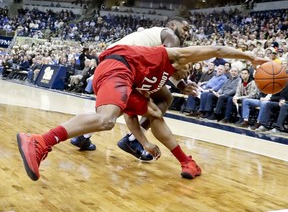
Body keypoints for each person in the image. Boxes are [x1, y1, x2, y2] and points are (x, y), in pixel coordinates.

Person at [17, 44, 267, 182]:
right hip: (117, 66)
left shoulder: (158, 80)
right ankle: (40, 141)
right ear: (182, 61)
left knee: (156, 113)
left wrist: (145, 142)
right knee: (106, 120)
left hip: (124, 76)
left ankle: (186, 160)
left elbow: (130, 114)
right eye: (188, 67)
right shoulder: (171, 55)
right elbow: (218, 50)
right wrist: (248, 56)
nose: (188, 71)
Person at [71, 17, 197, 161]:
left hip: (114, 61)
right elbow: (169, 60)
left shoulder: (154, 36)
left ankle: (83, 135)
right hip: (121, 64)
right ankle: (133, 140)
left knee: (121, 108)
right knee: (155, 100)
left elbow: (165, 63)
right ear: (173, 25)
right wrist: (181, 84)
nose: (187, 34)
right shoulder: (170, 35)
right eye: (185, 29)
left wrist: (181, 85)